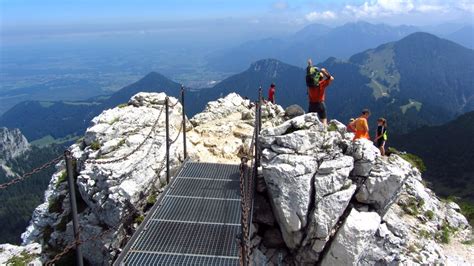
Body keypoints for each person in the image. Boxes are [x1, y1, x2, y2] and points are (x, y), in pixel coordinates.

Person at [306, 59, 334, 125]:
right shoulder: (322, 84)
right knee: (323, 120)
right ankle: (325, 133)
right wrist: (324, 72)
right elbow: (331, 78)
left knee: (310, 121)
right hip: (320, 104)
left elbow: (309, 74)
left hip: (311, 105)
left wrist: (309, 65)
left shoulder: (310, 85)